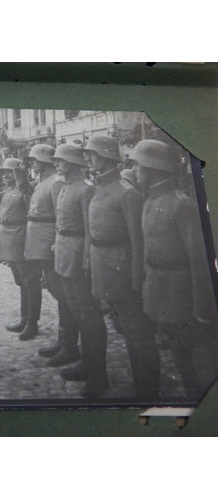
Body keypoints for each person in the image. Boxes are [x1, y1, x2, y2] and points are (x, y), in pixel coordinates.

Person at [132, 139, 218, 399]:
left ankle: (199, 405)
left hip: (179, 293)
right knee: (175, 348)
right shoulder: (149, 202)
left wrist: (203, 309)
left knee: (188, 357)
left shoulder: (182, 204)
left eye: (138, 167)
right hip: (158, 288)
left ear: (152, 168)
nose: (135, 172)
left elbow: (199, 260)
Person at [84, 135, 161, 399]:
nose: (88, 159)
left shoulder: (126, 192)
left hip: (123, 274)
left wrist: (137, 280)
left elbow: (138, 242)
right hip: (105, 271)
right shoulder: (98, 188)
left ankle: (148, 392)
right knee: (124, 329)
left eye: (92, 154)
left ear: (106, 158)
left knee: (137, 333)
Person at [52, 143, 110, 398]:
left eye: (61, 161)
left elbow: (90, 228)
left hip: (78, 253)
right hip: (64, 252)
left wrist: (87, 258)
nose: (56, 165)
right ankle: (86, 363)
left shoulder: (86, 189)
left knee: (90, 314)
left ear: (74, 164)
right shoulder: (64, 187)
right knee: (76, 310)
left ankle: (98, 372)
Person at [18, 144, 80, 357]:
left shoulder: (54, 183)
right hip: (40, 243)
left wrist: (54, 243)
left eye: (34, 160)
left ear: (43, 161)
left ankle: (67, 342)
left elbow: (60, 217)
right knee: (58, 292)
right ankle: (64, 341)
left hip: (49, 245)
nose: (31, 164)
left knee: (62, 294)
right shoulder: (45, 181)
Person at [0, 158, 42, 340]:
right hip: (7, 235)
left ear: (18, 172)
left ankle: (32, 323)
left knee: (30, 280)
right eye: (4, 172)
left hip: (20, 234)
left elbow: (32, 212)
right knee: (20, 280)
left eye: (10, 171)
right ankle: (24, 319)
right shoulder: (8, 190)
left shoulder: (26, 188)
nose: (6, 175)